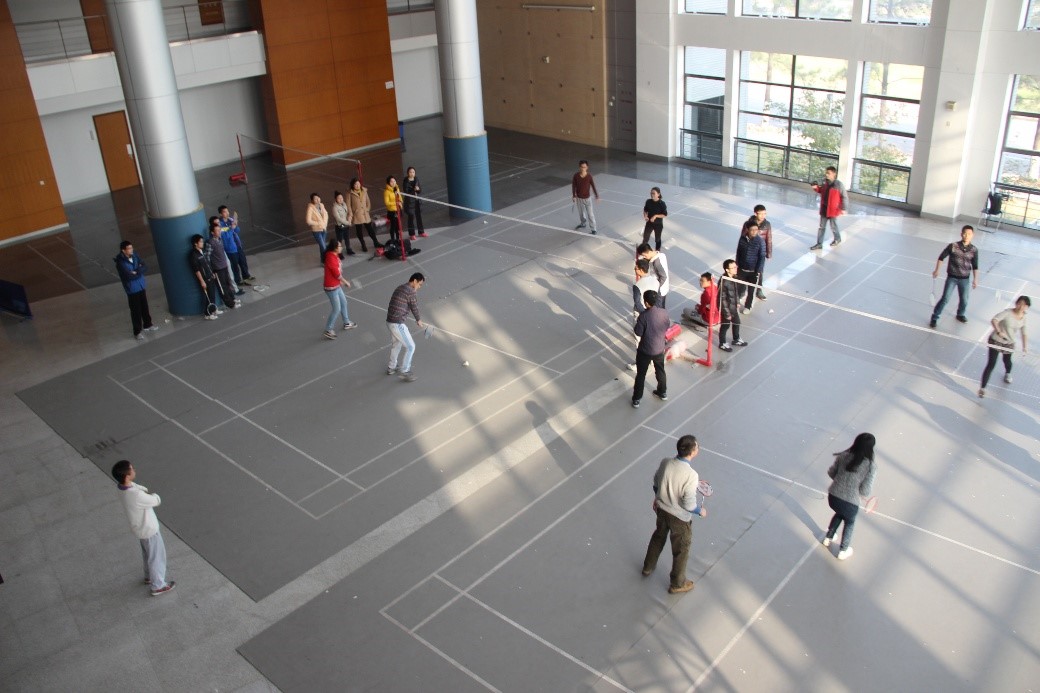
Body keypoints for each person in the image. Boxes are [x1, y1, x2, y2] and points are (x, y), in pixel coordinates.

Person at [641, 434, 705, 594]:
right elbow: (688, 504)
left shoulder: (666, 462)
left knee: (658, 537)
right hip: (680, 519)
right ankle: (677, 584)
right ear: (693, 451)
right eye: (697, 446)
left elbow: (656, 483)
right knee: (681, 550)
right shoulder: (691, 475)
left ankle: (648, 567)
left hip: (662, 510)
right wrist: (700, 511)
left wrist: (658, 497)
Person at [111, 460, 175, 596]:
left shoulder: (121, 488)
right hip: (149, 529)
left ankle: (148, 576)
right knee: (156, 557)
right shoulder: (136, 495)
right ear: (127, 476)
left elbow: (137, 488)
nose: (134, 470)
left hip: (140, 528)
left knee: (147, 554)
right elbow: (156, 500)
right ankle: (158, 585)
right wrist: (154, 495)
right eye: (131, 469)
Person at [822, 433, 877, 561]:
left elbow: (831, 473)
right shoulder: (870, 466)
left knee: (840, 513)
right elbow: (865, 491)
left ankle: (828, 537)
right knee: (850, 522)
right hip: (850, 503)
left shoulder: (843, 456)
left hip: (833, 497)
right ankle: (843, 549)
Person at [978, 295, 1030, 398]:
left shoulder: (1023, 318)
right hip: (996, 340)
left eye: (1024, 305)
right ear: (1016, 303)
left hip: (1009, 343)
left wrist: (1025, 347)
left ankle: (1008, 373)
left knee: (1007, 361)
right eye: (1019, 303)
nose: (1021, 306)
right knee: (991, 364)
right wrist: (998, 331)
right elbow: (994, 320)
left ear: (1027, 307)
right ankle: (982, 389)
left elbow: (1024, 333)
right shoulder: (1007, 313)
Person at [929, 225, 979, 328]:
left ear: (972, 235)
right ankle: (934, 317)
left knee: (964, 300)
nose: (966, 236)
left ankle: (960, 314)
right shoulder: (953, 246)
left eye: (969, 234)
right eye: (965, 233)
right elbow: (941, 257)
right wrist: (937, 270)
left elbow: (975, 266)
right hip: (952, 278)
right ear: (961, 234)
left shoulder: (974, 250)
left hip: (965, 279)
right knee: (945, 299)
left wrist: (975, 280)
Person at [113, 240, 158, 341]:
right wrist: (139, 272)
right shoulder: (120, 262)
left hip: (141, 285)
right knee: (135, 310)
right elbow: (128, 276)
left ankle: (148, 324)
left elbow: (145, 266)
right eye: (129, 248)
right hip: (132, 288)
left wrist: (136, 271)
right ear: (123, 250)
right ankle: (137, 331)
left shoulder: (135, 256)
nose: (131, 250)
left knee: (144, 307)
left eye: (131, 248)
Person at [632, 290, 669, 408]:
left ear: (646, 303)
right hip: (659, 348)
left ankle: (637, 398)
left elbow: (638, 332)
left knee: (641, 375)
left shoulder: (644, 316)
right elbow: (667, 326)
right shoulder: (664, 313)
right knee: (660, 370)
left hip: (645, 350)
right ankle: (662, 392)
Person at [386, 272, 426, 382]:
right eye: (419, 284)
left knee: (397, 344)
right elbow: (414, 307)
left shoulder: (400, 287)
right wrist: (418, 320)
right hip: (397, 323)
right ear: (414, 281)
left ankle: (391, 367)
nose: (419, 287)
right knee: (411, 347)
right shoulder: (411, 291)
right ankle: (405, 371)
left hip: (390, 321)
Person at [321, 239, 357, 340]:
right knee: (336, 309)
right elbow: (336, 274)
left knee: (344, 303)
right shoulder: (330, 258)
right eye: (340, 246)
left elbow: (334, 273)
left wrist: (340, 282)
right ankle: (328, 329)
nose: (341, 247)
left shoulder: (334, 255)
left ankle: (347, 322)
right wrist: (345, 282)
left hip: (336, 285)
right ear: (335, 248)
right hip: (331, 288)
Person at [809, 166, 847, 250]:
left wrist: (844, 208)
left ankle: (837, 239)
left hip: (833, 210)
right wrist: (816, 188)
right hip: (824, 209)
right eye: (826, 173)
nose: (826, 175)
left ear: (834, 174)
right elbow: (821, 191)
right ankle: (819, 244)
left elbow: (844, 197)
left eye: (828, 173)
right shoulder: (825, 183)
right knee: (821, 227)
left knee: (833, 226)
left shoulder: (838, 184)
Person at [217, 205, 256, 284]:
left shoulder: (231, 220)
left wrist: (235, 225)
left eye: (227, 211)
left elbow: (237, 230)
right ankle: (238, 280)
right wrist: (231, 228)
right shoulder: (220, 224)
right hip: (230, 247)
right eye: (225, 212)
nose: (227, 213)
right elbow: (226, 236)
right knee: (234, 264)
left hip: (237, 244)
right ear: (220, 214)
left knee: (243, 261)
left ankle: (246, 275)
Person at [207, 218, 239, 309]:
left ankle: (232, 299)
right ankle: (230, 304)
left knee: (228, 284)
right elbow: (207, 257)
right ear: (212, 232)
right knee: (222, 287)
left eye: (219, 230)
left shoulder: (220, 239)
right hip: (218, 269)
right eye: (217, 231)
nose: (219, 232)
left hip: (224, 266)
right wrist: (211, 270)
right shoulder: (210, 243)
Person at [741, 205, 772, 300]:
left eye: (765, 213)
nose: (763, 215)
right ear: (755, 213)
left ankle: (759, 290)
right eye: (761, 213)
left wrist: (769, 253)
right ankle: (742, 291)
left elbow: (769, 239)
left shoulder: (767, 224)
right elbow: (743, 237)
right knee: (745, 271)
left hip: (760, 253)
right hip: (749, 251)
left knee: (759, 272)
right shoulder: (748, 224)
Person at [717, 259, 748, 352]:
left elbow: (735, 292)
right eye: (733, 267)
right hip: (726, 308)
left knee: (737, 322)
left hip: (733, 306)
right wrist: (727, 313)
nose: (735, 268)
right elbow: (722, 299)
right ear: (727, 270)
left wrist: (737, 302)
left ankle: (736, 339)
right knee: (725, 326)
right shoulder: (724, 281)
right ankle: (722, 343)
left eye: (735, 266)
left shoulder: (733, 277)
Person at [735, 222, 766, 314]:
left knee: (751, 290)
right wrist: (738, 264)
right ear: (747, 230)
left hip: (753, 271)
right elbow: (738, 252)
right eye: (752, 230)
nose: (754, 232)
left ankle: (748, 306)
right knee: (739, 288)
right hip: (742, 269)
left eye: (756, 230)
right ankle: (736, 304)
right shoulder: (742, 239)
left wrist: (758, 270)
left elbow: (762, 257)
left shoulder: (760, 241)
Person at [189, 234, 219, 320]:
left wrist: (212, 272)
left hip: (210, 276)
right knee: (208, 296)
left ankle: (213, 310)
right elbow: (196, 270)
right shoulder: (193, 255)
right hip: (205, 279)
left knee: (212, 295)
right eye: (201, 242)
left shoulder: (202, 251)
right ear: (195, 243)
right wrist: (202, 281)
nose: (202, 243)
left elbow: (207, 264)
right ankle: (207, 314)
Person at [347, 177, 380, 252]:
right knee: (359, 231)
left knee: (370, 229)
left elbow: (368, 201)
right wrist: (351, 214)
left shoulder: (364, 191)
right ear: (352, 185)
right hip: (357, 214)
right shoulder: (349, 193)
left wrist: (367, 209)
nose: (357, 185)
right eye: (355, 184)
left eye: (358, 184)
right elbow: (348, 205)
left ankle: (376, 242)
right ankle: (363, 244)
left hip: (365, 214)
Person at [637, 243, 669, 310]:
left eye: (644, 255)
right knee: (660, 309)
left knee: (657, 310)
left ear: (648, 252)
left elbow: (663, 277)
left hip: (659, 291)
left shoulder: (656, 263)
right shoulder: (661, 255)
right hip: (663, 288)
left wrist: (656, 288)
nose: (644, 257)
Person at [571, 159, 599, 234]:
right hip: (579, 198)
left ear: (587, 167)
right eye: (581, 167)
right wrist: (574, 195)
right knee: (581, 214)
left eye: (584, 167)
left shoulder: (589, 176)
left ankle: (593, 229)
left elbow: (593, 186)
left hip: (587, 199)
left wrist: (597, 196)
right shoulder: (576, 176)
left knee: (590, 214)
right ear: (579, 167)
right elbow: (573, 186)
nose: (583, 169)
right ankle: (583, 223)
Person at [402, 166, 427, 239]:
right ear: (408, 173)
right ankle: (412, 234)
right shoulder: (406, 181)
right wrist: (414, 190)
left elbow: (420, 190)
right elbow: (406, 192)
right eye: (410, 172)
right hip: (410, 202)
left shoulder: (416, 179)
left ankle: (421, 232)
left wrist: (418, 189)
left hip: (417, 201)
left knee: (419, 217)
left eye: (413, 172)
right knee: (411, 218)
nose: (412, 173)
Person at [305, 192, 329, 263]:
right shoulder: (310, 208)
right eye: (315, 199)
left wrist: (325, 223)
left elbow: (326, 214)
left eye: (318, 198)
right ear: (312, 200)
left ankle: (323, 260)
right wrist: (319, 223)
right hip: (317, 231)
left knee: (322, 246)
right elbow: (308, 221)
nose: (318, 200)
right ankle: (327, 261)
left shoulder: (321, 205)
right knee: (323, 246)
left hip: (324, 229)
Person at [331, 191, 356, 256]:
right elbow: (338, 218)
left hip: (346, 224)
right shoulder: (335, 207)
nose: (341, 199)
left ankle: (348, 249)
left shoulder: (344, 204)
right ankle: (339, 253)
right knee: (339, 240)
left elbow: (348, 212)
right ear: (336, 199)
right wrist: (348, 222)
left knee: (347, 237)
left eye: (341, 198)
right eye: (339, 198)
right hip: (340, 226)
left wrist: (350, 217)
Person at [383, 175, 403, 243]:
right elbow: (387, 203)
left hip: (398, 209)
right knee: (393, 226)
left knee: (398, 225)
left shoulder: (397, 188)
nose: (393, 182)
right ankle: (392, 239)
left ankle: (398, 238)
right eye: (391, 181)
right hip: (392, 211)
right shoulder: (386, 191)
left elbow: (400, 197)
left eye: (394, 181)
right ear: (388, 183)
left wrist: (400, 202)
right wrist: (396, 203)